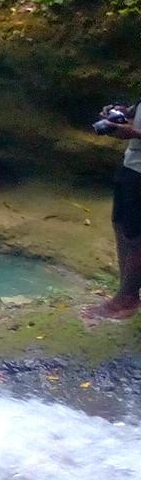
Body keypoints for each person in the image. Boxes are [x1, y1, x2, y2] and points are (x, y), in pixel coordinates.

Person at [88, 94, 141, 320]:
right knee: (121, 225)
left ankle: (127, 299)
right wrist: (122, 113)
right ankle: (126, 292)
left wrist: (134, 133)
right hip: (132, 166)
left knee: (137, 236)